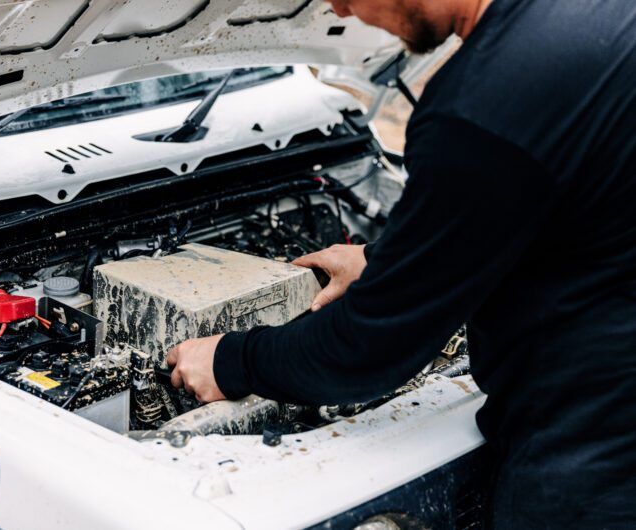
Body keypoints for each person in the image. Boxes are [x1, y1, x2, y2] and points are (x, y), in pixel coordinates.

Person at [166, 0, 636, 527]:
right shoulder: (596, 19)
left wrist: (230, 361)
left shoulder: (481, 108)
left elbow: (364, 351)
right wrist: (386, 260)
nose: (337, 8)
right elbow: (549, 209)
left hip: (595, 459)